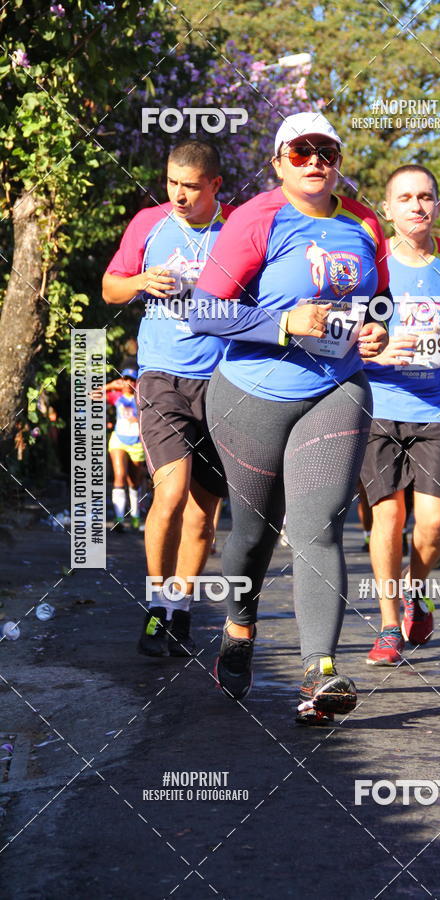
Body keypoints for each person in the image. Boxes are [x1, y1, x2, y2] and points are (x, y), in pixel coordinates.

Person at [188, 111, 389, 724]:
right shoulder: (258, 219)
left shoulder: (362, 224)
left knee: (317, 526)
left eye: (325, 152)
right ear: (278, 163)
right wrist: (281, 323)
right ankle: (239, 627)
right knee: (253, 534)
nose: (314, 162)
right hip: (251, 394)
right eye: (300, 152)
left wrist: (378, 329)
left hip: (336, 388)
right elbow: (202, 312)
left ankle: (319, 671)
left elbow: (379, 300)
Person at [102, 140, 232, 658]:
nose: (178, 194)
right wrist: (138, 281)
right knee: (171, 493)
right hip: (163, 377)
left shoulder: (237, 228)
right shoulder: (149, 224)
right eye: (172, 183)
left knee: (202, 512)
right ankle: (156, 606)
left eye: (191, 186)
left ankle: (181, 611)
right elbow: (110, 288)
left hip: (223, 383)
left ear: (214, 185)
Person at [361, 164, 440, 666]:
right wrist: (372, 352)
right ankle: (389, 625)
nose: (417, 205)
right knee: (388, 516)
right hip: (379, 407)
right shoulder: (371, 262)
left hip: (439, 411)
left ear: (437, 204)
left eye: (426, 196)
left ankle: (416, 588)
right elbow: (344, 328)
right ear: (387, 209)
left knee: (434, 526)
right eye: (406, 198)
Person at [106, 368, 145, 531]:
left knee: (134, 482)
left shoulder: (142, 397)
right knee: (120, 476)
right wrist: (110, 386)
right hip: (118, 440)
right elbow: (90, 395)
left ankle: (135, 516)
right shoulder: (116, 396)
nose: (128, 383)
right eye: (125, 379)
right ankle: (119, 519)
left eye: (132, 380)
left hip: (137, 443)